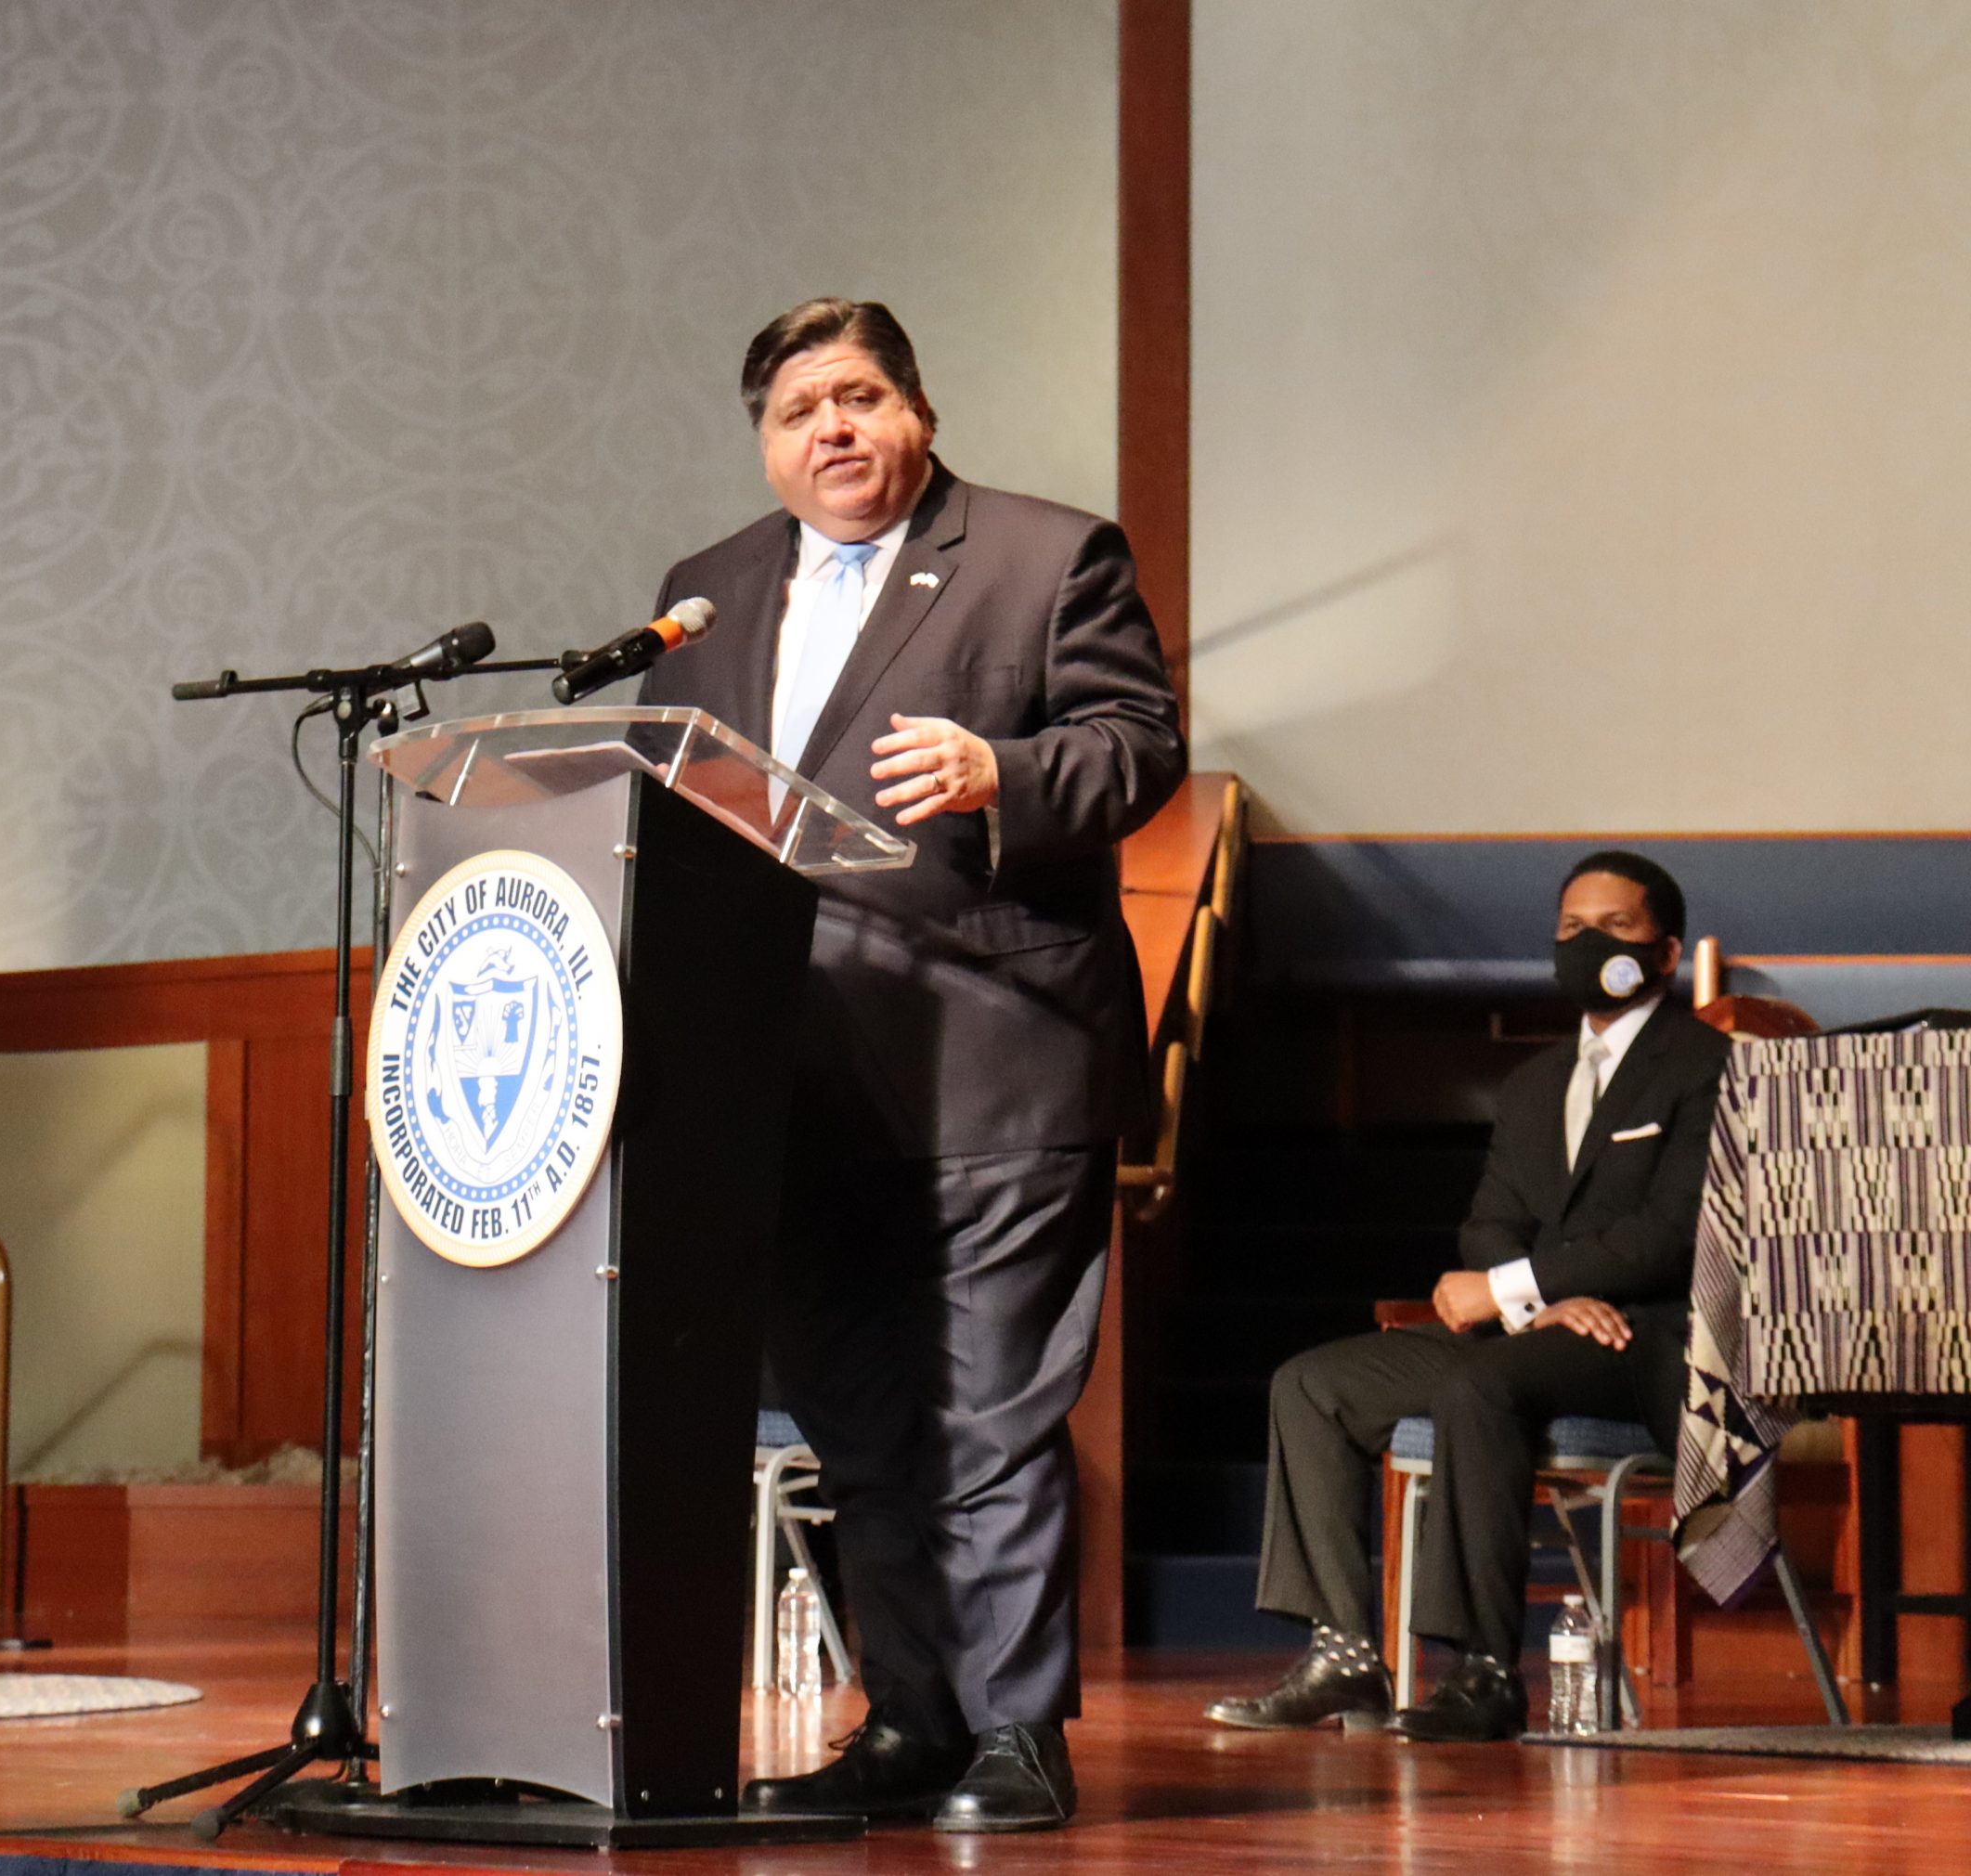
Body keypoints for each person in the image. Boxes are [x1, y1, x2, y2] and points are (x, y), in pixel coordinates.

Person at [639, 298, 1185, 1830]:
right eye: (801, 406)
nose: (834, 427)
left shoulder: (1044, 555)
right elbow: (664, 814)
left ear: (921, 414)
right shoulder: (704, 597)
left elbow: (1139, 751)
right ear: (766, 443)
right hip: (785, 1081)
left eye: (862, 395)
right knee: (860, 1418)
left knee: (993, 1409)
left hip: (995, 1059)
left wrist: (999, 769)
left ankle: (1019, 1732)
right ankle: (917, 1717)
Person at [1206, 852, 1732, 1742]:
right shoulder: (1532, 1086)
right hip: (1540, 1331)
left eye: (1615, 925)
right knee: (1312, 1383)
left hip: (1645, 1338)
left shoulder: (1706, 1062)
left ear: (1668, 951)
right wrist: (1534, 1304)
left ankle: (1485, 1669)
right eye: (1570, 927)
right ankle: (1344, 1655)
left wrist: (1515, 1289)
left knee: (1477, 1386)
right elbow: (1490, 1226)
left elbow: (1670, 1234)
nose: (1587, 941)